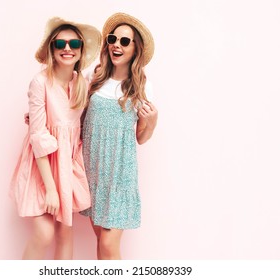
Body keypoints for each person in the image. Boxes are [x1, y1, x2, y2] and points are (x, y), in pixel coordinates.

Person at [10, 17, 101, 259]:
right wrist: (51, 189)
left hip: (67, 165)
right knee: (44, 233)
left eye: (74, 44)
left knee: (65, 234)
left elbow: (76, 126)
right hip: (43, 166)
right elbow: (39, 137)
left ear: (81, 50)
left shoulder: (81, 83)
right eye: (60, 43)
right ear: (52, 48)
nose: (67, 48)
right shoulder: (40, 82)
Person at [80, 12, 158, 260]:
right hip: (92, 170)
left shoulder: (141, 86)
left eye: (125, 41)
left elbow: (141, 138)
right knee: (100, 243)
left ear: (136, 49)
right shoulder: (95, 75)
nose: (116, 44)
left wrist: (152, 121)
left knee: (108, 244)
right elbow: (75, 114)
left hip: (119, 175)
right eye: (113, 38)